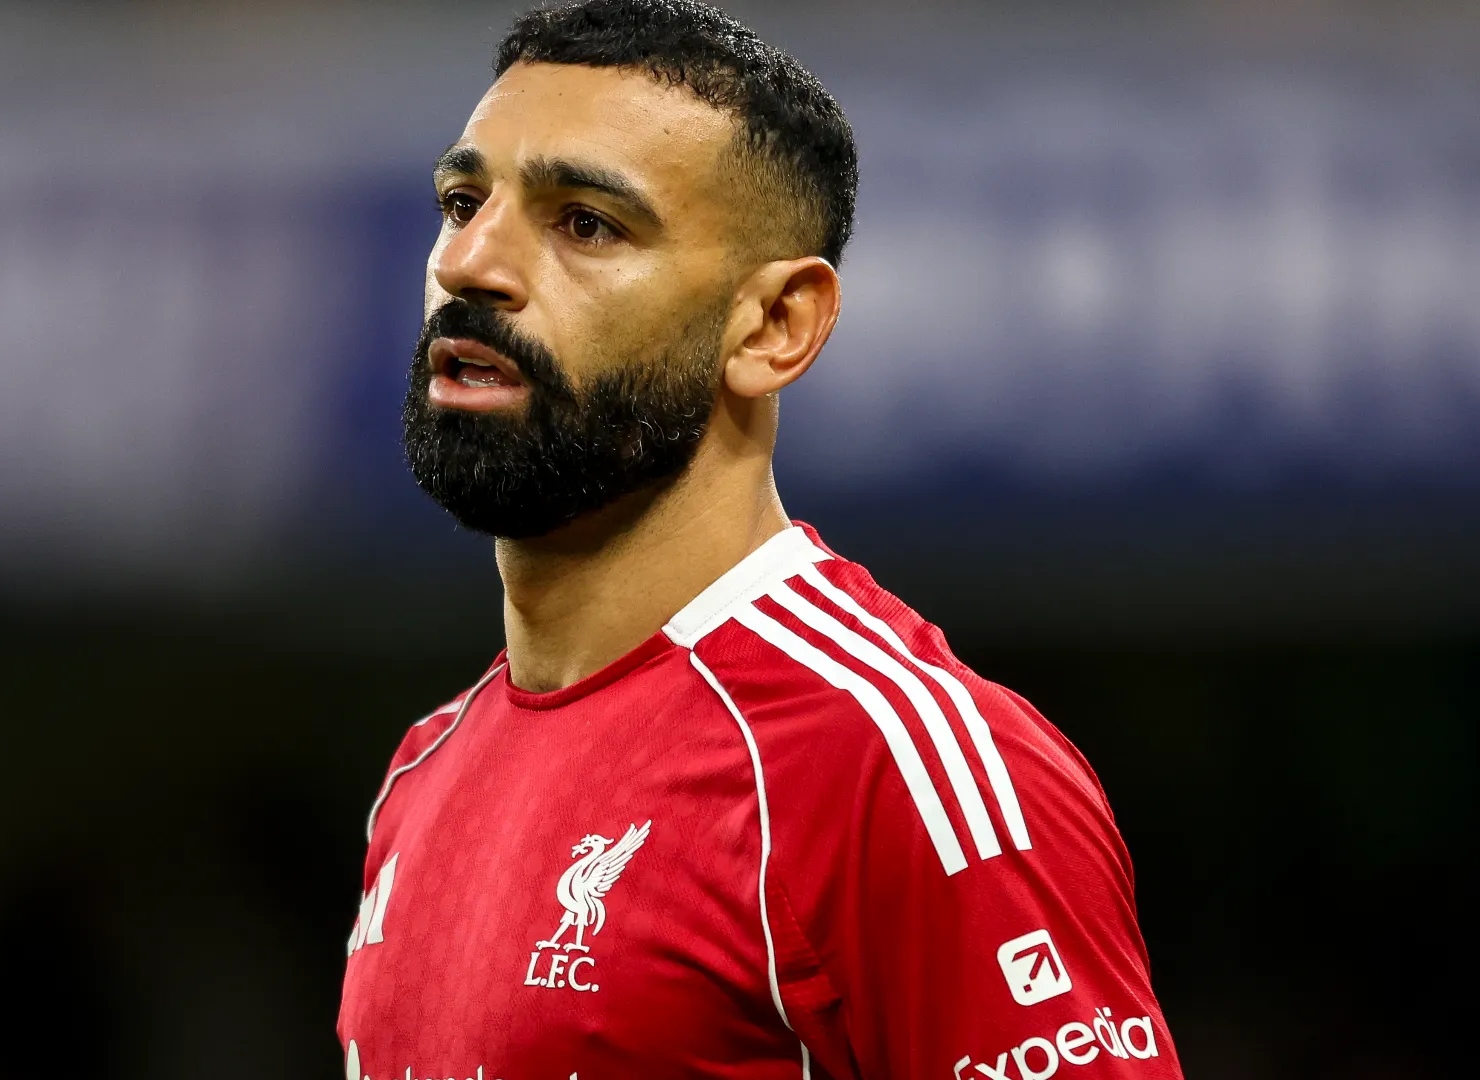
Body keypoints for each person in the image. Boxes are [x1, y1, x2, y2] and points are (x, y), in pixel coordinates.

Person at [338, 2, 1180, 1077]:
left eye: (585, 223)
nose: (470, 263)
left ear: (777, 326)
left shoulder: (888, 767)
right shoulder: (423, 773)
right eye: (463, 203)